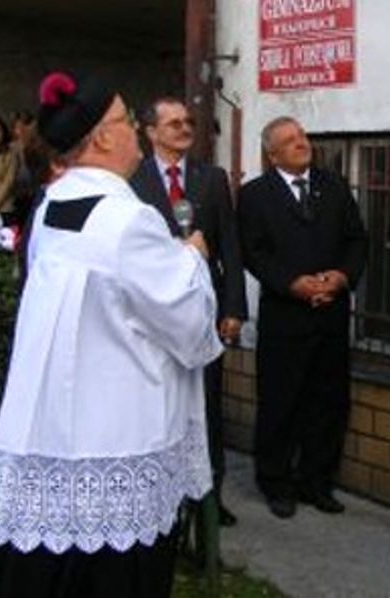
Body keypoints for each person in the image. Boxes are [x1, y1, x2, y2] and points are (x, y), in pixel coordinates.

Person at [0, 72, 221, 598]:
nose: (134, 130)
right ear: (103, 137)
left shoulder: (48, 209)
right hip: (118, 436)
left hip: (53, 431)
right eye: (127, 120)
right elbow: (193, 330)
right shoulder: (131, 221)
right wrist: (193, 258)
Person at [237, 116, 367, 519]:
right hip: (285, 318)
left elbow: (356, 240)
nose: (301, 144)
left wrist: (342, 277)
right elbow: (253, 252)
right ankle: (276, 483)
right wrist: (293, 284)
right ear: (272, 153)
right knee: (281, 403)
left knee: (327, 402)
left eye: (303, 136)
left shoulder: (334, 186)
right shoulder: (255, 195)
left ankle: (317, 482)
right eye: (290, 141)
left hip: (330, 315)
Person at [130, 95, 247, 526]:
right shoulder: (131, 179)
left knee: (208, 403)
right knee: (160, 403)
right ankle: (163, 492)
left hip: (204, 314)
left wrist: (234, 307)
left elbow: (231, 246)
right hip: (154, 317)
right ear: (150, 131)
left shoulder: (211, 178)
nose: (184, 128)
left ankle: (209, 494)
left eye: (188, 121)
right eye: (174, 122)